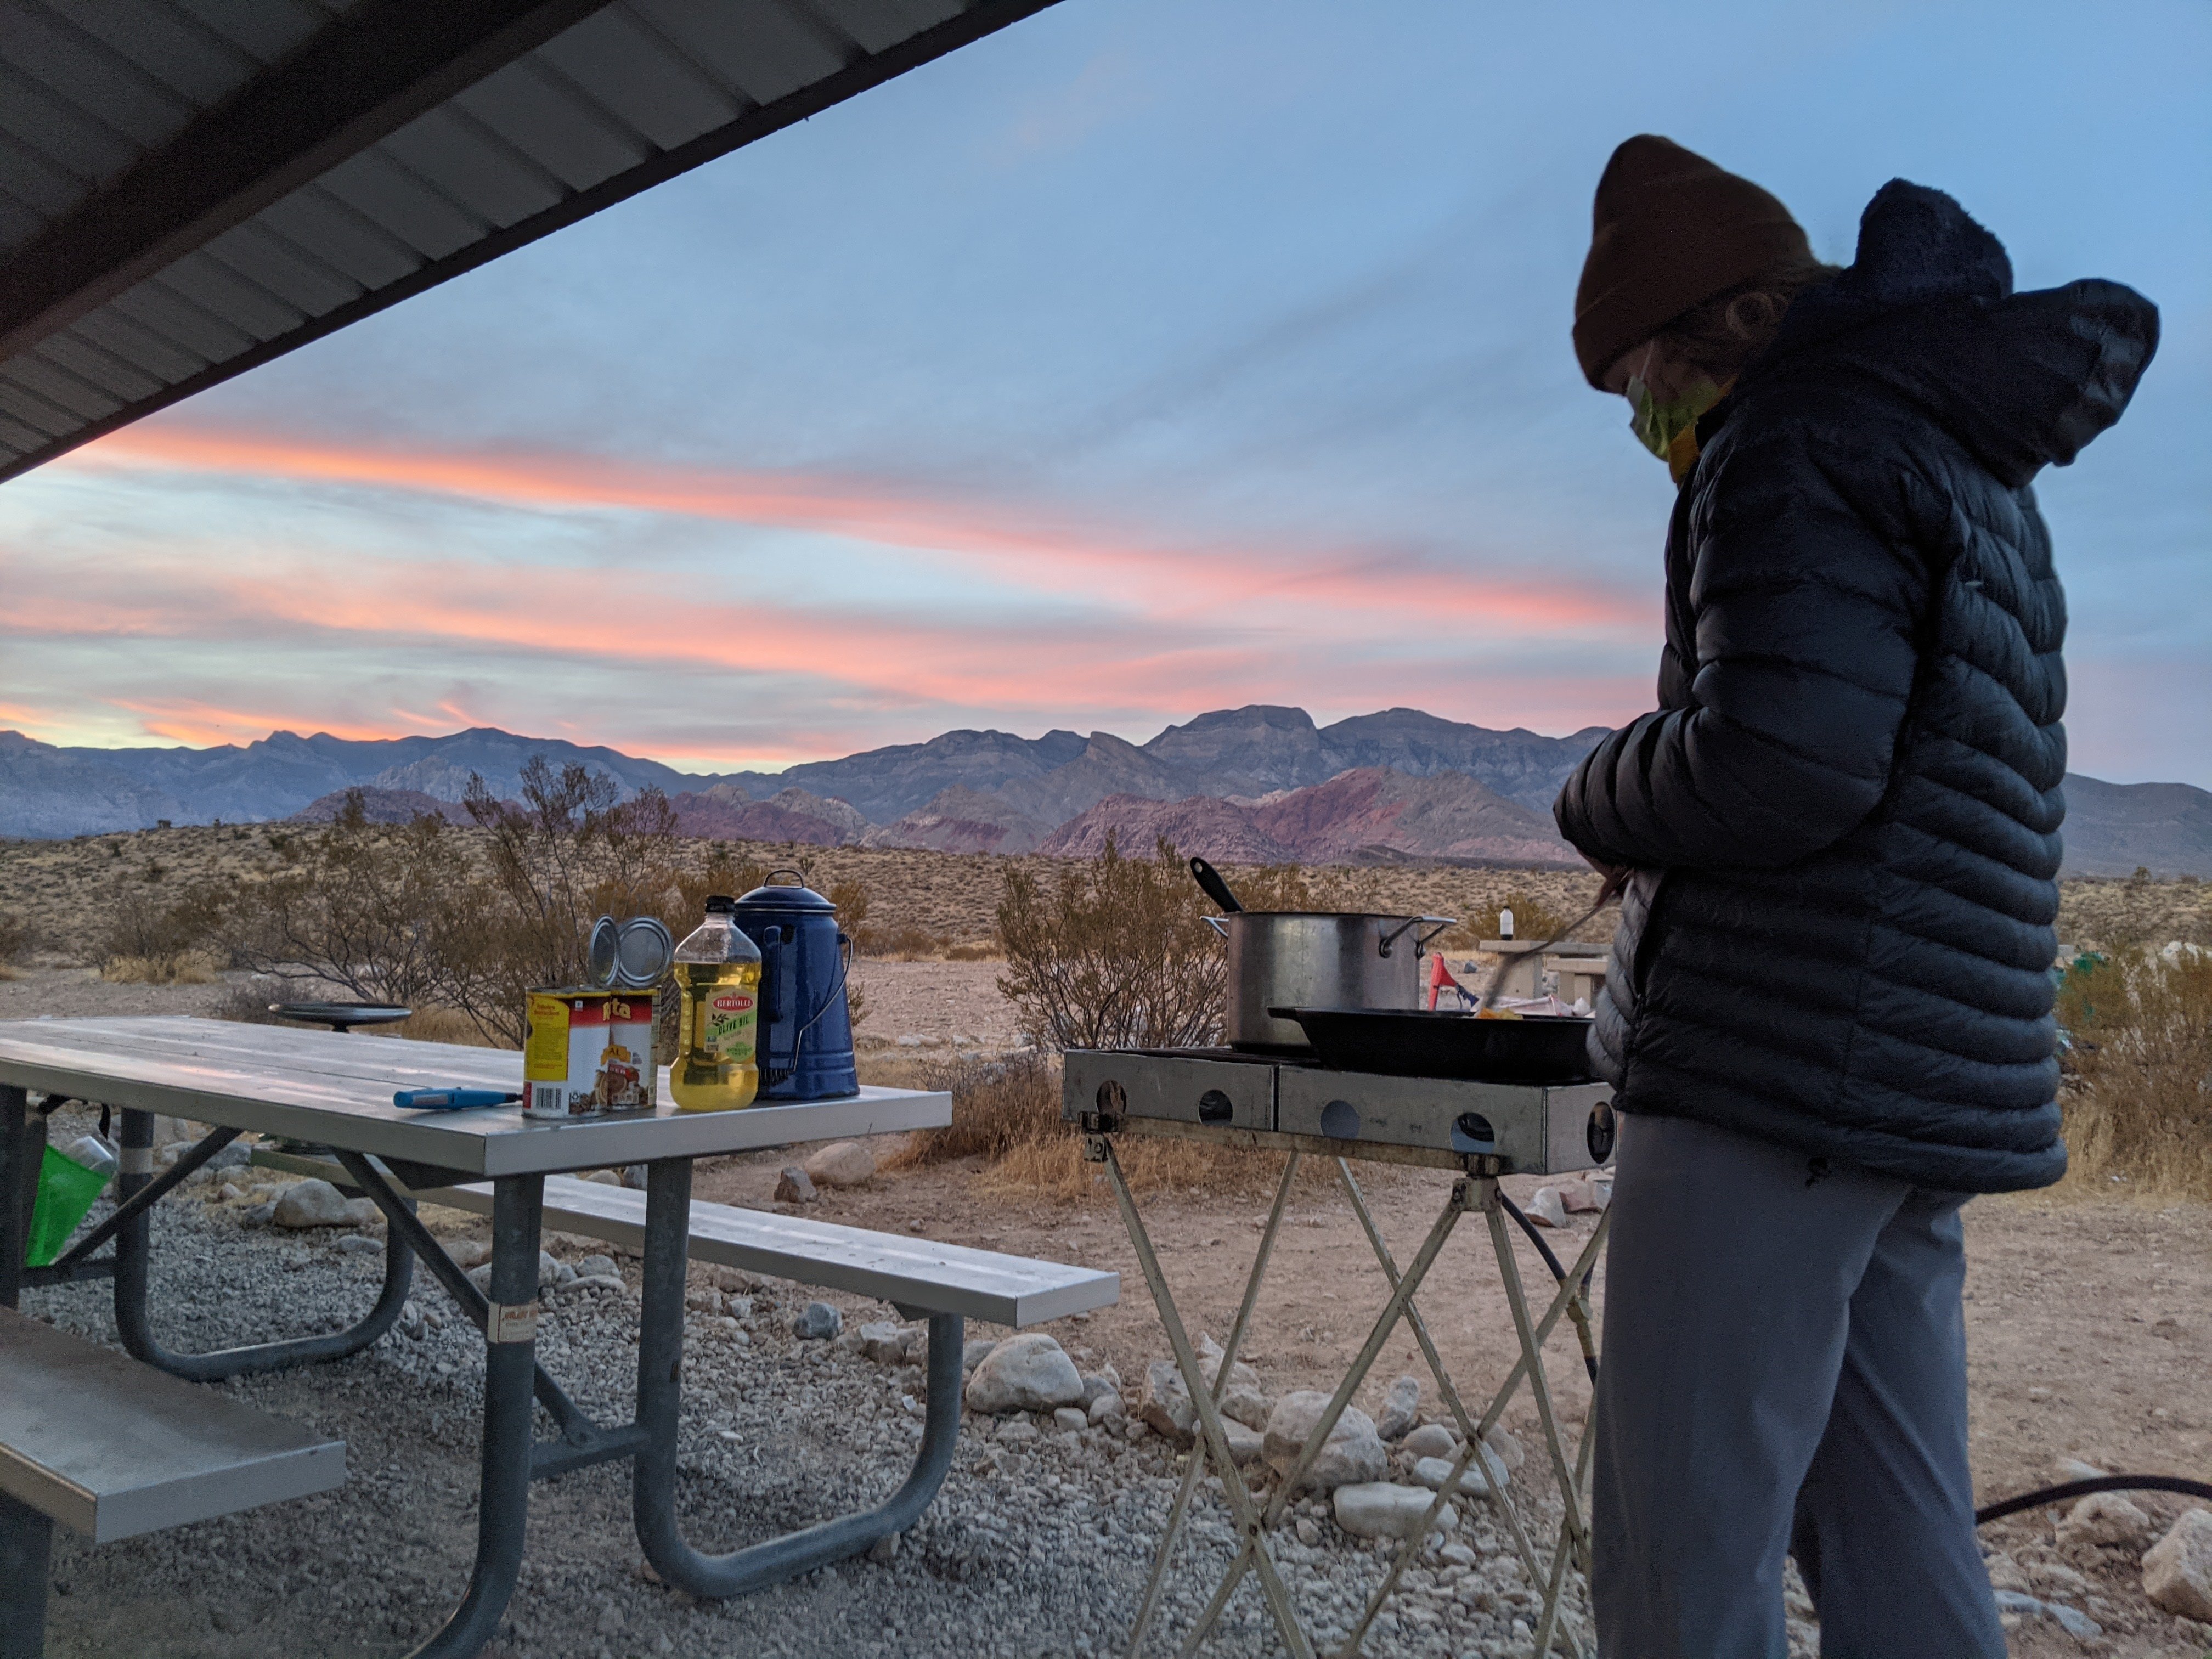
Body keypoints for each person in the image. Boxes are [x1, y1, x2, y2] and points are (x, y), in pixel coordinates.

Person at [1554, 136, 2158, 1658]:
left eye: (1647, 383)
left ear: (1733, 324)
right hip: (1910, 1077)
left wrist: (1599, 789)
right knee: (1892, 1522)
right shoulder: (1948, 448)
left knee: (1682, 1549)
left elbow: (1785, 765)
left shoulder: (1796, 438)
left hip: (1778, 1066)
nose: (1650, 420)